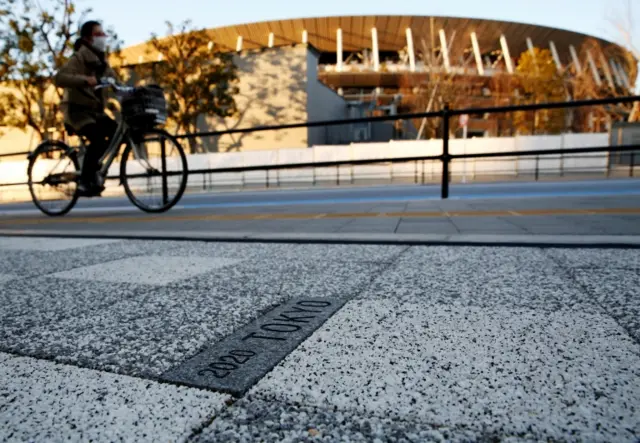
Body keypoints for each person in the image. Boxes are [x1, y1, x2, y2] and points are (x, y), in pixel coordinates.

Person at [54, 20, 120, 196]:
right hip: (77, 112)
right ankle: (84, 181)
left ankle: (93, 167)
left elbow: (114, 79)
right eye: (98, 34)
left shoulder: (102, 60)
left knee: (116, 132)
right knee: (98, 139)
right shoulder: (79, 57)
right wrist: (84, 80)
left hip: (95, 112)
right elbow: (60, 78)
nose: (103, 37)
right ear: (88, 38)